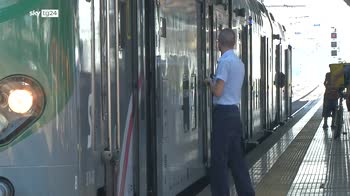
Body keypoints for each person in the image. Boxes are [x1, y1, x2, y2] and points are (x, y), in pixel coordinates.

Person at [204, 28, 255, 196]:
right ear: (234, 43)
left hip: (223, 115)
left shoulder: (224, 62)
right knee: (237, 161)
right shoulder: (239, 63)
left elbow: (218, 91)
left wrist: (209, 82)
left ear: (219, 43)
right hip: (234, 113)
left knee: (219, 161)